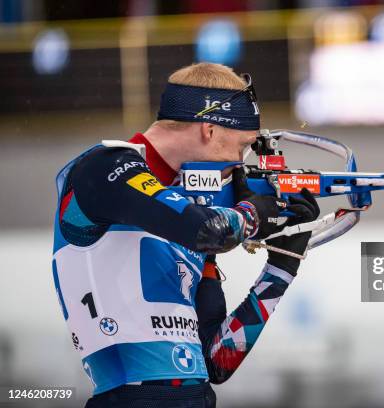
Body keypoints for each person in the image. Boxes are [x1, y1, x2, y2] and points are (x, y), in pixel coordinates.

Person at [51, 62, 319, 408]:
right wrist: (258, 212)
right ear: (209, 130)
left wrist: (282, 266)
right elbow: (208, 229)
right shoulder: (104, 167)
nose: (238, 165)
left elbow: (217, 361)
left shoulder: (189, 216)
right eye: (240, 148)